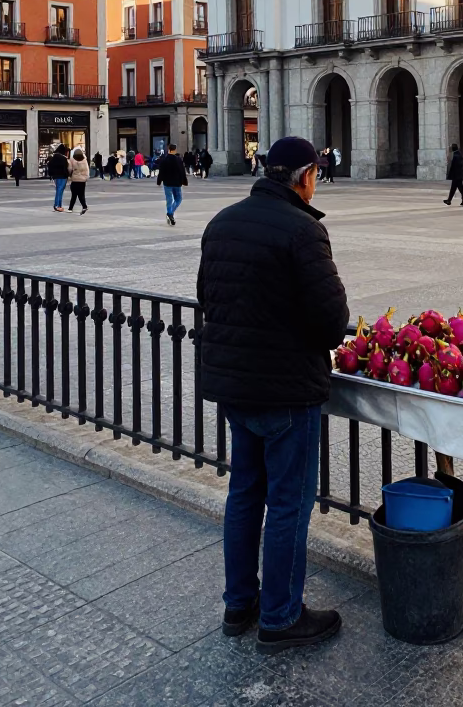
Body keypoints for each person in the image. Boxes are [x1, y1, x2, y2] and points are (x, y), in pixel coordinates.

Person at [197, 136, 349, 653]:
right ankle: (281, 617)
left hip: (236, 385)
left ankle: (239, 603)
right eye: (317, 174)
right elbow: (331, 321)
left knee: (245, 493)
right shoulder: (303, 230)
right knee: (287, 503)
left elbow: (208, 298)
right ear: (306, 175)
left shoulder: (222, 222)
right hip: (286, 389)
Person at [157, 143, 188, 225]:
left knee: (169, 199)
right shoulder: (178, 160)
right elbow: (182, 171)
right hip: (177, 182)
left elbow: (161, 171)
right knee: (178, 199)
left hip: (167, 182)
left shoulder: (164, 159)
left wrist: (159, 181)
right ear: (175, 150)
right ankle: (170, 213)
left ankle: (170, 212)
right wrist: (184, 181)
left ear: (168, 150)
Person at [443, 143, 463, 207]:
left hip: (457, 176)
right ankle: (449, 200)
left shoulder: (456, 156)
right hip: (458, 176)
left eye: (451, 147)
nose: (450, 148)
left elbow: (455, 167)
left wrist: (452, 175)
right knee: (454, 189)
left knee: (460, 189)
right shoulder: (458, 154)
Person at [67, 148, 89, 214]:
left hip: (75, 179)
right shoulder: (85, 160)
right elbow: (87, 170)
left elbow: (70, 169)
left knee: (74, 195)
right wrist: (86, 177)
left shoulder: (72, 160)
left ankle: (70, 208)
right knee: (81, 194)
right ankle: (84, 206)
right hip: (82, 180)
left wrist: (70, 176)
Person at [50, 145, 70, 212]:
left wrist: (52, 175)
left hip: (56, 176)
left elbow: (50, 167)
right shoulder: (63, 158)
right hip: (63, 176)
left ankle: (57, 205)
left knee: (58, 190)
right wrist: (67, 175)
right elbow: (65, 168)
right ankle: (58, 205)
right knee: (60, 191)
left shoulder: (53, 158)